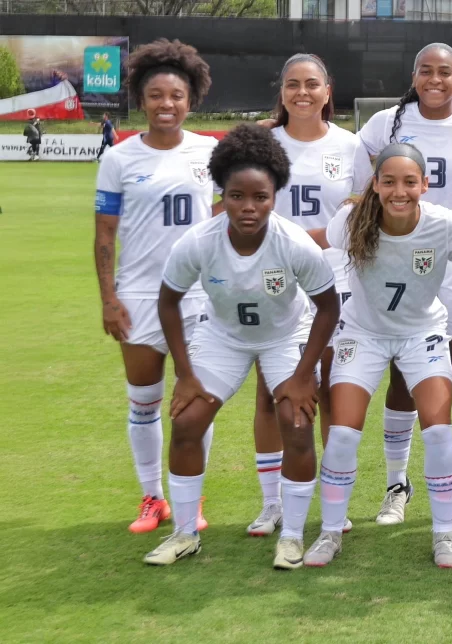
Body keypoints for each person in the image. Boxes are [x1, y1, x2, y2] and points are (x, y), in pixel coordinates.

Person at [143, 124, 340, 568]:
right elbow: (168, 301)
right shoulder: (198, 241)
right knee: (188, 422)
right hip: (223, 338)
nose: (248, 207)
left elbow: (328, 307)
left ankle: (290, 535)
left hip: (285, 337)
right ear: (222, 193)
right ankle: (185, 533)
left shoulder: (294, 244)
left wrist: (303, 374)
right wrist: (186, 373)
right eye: (236, 196)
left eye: (260, 197)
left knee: (295, 422)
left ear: (275, 195)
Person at [301, 143, 452, 569]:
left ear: (425, 184)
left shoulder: (444, 225)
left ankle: (444, 534)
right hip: (363, 334)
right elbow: (315, 241)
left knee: (440, 432)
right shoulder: (352, 221)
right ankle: (331, 531)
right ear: (375, 184)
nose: (399, 191)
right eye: (389, 182)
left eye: (409, 182)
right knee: (344, 434)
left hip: (421, 333)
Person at [358, 43, 452, 527]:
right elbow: (362, 177)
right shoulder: (386, 123)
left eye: (445, 72)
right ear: (415, 75)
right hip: (401, 258)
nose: (435, 79)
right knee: (404, 366)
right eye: (426, 71)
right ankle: (397, 485)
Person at [246, 53, 373, 539]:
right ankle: (272, 503)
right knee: (270, 390)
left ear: (327, 90)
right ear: (282, 92)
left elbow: (360, 216)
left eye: (312, 84)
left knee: (323, 387)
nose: (302, 92)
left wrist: (304, 240)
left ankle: (328, 502)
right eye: (293, 84)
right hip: (271, 277)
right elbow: (242, 206)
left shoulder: (352, 145)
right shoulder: (262, 143)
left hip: (332, 279)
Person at [93, 39, 217, 535]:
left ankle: (192, 497)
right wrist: (108, 298)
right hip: (139, 296)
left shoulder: (211, 152)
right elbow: (104, 235)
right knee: (143, 403)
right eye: (157, 96)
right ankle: (153, 498)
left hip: (200, 297)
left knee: (195, 403)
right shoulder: (119, 159)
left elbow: (232, 216)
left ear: (192, 100)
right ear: (141, 101)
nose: (167, 104)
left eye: (177, 95)